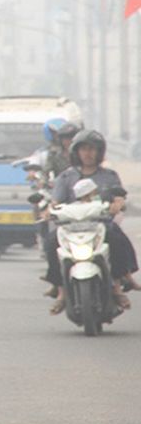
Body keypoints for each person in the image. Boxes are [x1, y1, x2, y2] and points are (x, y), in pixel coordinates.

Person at [43, 129, 138, 311]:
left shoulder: (109, 176)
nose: (88, 153)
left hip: (100, 226)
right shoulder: (66, 176)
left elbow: (119, 197)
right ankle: (61, 291)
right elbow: (55, 201)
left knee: (116, 236)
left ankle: (117, 286)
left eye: (92, 149)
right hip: (71, 228)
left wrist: (118, 203)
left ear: (99, 152)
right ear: (76, 152)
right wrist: (49, 211)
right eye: (84, 149)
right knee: (50, 241)